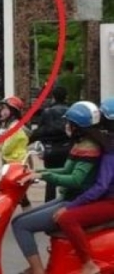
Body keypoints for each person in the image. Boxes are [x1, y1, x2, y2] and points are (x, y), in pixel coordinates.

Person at [11, 101, 103, 274]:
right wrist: (38, 172)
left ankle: (37, 270)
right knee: (17, 220)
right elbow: (66, 170)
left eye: (69, 123)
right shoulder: (81, 143)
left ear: (77, 126)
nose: (66, 126)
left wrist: (44, 176)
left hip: (75, 200)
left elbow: (75, 180)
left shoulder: (89, 147)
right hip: (68, 196)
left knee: (21, 226)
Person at [52, 97, 114, 274]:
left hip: (110, 201)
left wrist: (71, 206)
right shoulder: (105, 143)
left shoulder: (111, 149)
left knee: (67, 219)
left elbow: (101, 186)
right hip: (106, 198)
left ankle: (88, 264)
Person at [30, 86, 71, 202]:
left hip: (50, 150)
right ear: (66, 97)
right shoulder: (70, 112)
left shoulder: (47, 112)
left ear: (53, 97)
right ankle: (66, 201)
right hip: (67, 149)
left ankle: (49, 203)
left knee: (50, 178)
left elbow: (40, 131)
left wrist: (28, 141)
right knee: (67, 176)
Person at [0, 96, 31, 210]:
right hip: (15, 163)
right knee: (20, 195)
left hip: (15, 164)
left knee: (12, 193)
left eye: (4, 108)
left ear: (12, 111)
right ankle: (27, 214)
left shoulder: (14, 127)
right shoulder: (12, 125)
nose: (1, 111)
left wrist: (1, 140)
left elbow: (5, 149)